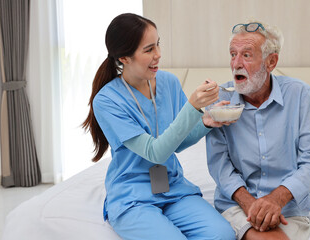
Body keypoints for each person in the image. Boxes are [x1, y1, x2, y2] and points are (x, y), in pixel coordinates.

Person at [82, 13, 235, 240]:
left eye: (158, 45)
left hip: (173, 187)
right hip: (132, 196)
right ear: (124, 57)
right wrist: (192, 106)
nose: (159, 55)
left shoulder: (169, 82)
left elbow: (179, 142)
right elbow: (156, 152)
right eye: (149, 49)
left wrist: (205, 121)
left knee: (222, 234)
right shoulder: (107, 101)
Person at [206, 20, 310, 240]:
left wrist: (275, 200)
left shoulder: (301, 95)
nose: (236, 63)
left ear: (271, 62)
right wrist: (251, 205)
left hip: (288, 208)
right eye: (233, 54)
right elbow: (219, 166)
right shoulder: (220, 102)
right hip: (236, 205)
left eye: (247, 55)